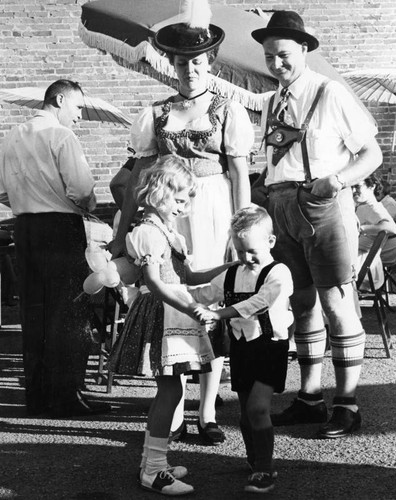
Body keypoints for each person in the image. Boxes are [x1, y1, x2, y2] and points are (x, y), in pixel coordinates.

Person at [112, 0, 254, 444]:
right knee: (170, 305)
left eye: (196, 61)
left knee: (207, 305)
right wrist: (123, 233)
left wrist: (239, 229)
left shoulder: (229, 109)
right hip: (169, 215)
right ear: (170, 65)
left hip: (212, 212)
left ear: (210, 61)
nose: (189, 69)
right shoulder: (156, 113)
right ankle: (171, 412)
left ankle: (208, 411)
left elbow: (238, 176)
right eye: (180, 62)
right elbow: (139, 180)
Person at [251, 11, 383, 438]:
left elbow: (371, 153)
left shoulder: (331, 93)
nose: (276, 64)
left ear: (304, 49)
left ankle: (347, 404)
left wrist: (338, 180)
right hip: (281, 205)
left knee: (338, 303)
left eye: (284, 55)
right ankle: (309, 398)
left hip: (323, 204)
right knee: (302, 304)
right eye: (270, 56)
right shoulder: (272, 101)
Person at [108, 156, 237, 495]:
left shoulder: (167, 231)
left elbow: (188, 276)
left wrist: (228, 268)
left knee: (171, 390)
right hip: (161, 313)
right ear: (160, 193)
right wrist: (192, 307)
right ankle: (152, 471)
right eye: (180, 200)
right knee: (170, 391)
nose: (185, 207)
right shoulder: (148, 232)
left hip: (171, 312)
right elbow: (156, 281)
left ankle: (155, 463)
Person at [0, 79, 110, 417]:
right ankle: (66, 396)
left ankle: (37, 396)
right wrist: (85, 206)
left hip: (25, 227)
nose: (79, 116)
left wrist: (24, 200)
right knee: (67, 314)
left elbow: (2, 191)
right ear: (59, 100)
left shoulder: (12, 136)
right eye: (77, 107)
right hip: (60, 228)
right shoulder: (62, 136)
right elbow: (81, 189)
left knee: (34, 314)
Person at [192, 206, 293, 494]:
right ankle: (254, 459)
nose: (245, 258)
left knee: (258, 408)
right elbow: (205, 294)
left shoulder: (280, 273)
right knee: (246, 413)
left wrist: (219, 314)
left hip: (270, 347)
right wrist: (170, 294)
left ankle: (264, 468)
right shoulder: (233, 273)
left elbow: (258, 303)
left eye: (251, 251)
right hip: (242, 349)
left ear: (271, 242)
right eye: (239, 252)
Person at [353, 175, 396, 289]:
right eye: (352, 187)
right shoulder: (360, 205)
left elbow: (393, 228)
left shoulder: (374, 206)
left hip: (363, 269)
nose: (353, 191)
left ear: (372, 187)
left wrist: (361, 228)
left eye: (357, 187)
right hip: (359, 262)